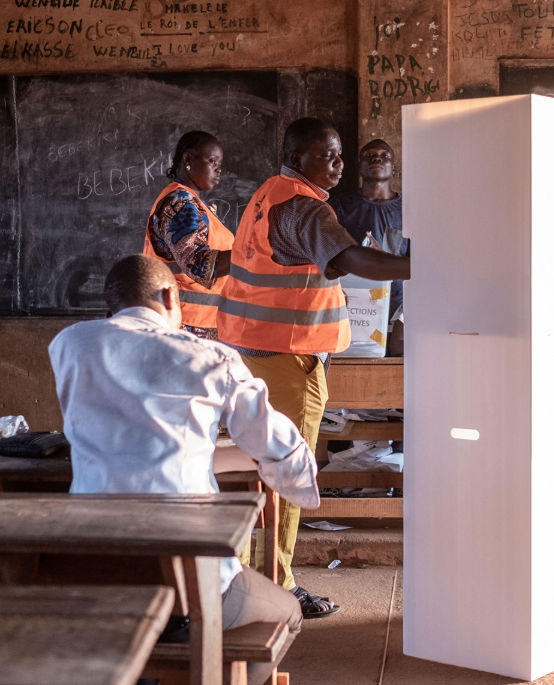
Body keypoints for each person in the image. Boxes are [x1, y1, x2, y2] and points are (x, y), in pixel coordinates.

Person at [49, 255, 316, 685]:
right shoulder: (212, 358)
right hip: (188, 590)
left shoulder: (70, 345)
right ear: (172, 296)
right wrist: (299, 481)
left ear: (109, 308)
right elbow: (280, 449)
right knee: (288, 612)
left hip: (98, 579)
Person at [217, 118, 410, 618]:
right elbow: (348, 257)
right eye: (328, 155)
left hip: (250, 354)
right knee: (286, 472)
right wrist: (426, 264)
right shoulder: (301, 205)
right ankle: (276, 586)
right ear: (298, 156)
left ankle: (235, 583)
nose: (339, 164)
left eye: (340, 154)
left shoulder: (269, 193)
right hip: (285, 359)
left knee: (250, 471)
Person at [144, 130, 234, 340]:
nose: (218, 169)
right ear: (188, 159)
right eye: (212, 161)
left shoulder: (189, 201)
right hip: (185, 327)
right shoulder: (181, 202)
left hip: (197, 324)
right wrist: (252, 252)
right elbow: (200, 266)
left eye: (219, 163)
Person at [328, 138, 409, 353]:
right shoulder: (338, 205)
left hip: (396, 310)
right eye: (370, 156)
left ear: (394, 167)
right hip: (350, 307)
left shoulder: (411, 208)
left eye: (384, 156)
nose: (377, 159)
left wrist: (384, 259)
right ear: (359, 166)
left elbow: (419, 262)